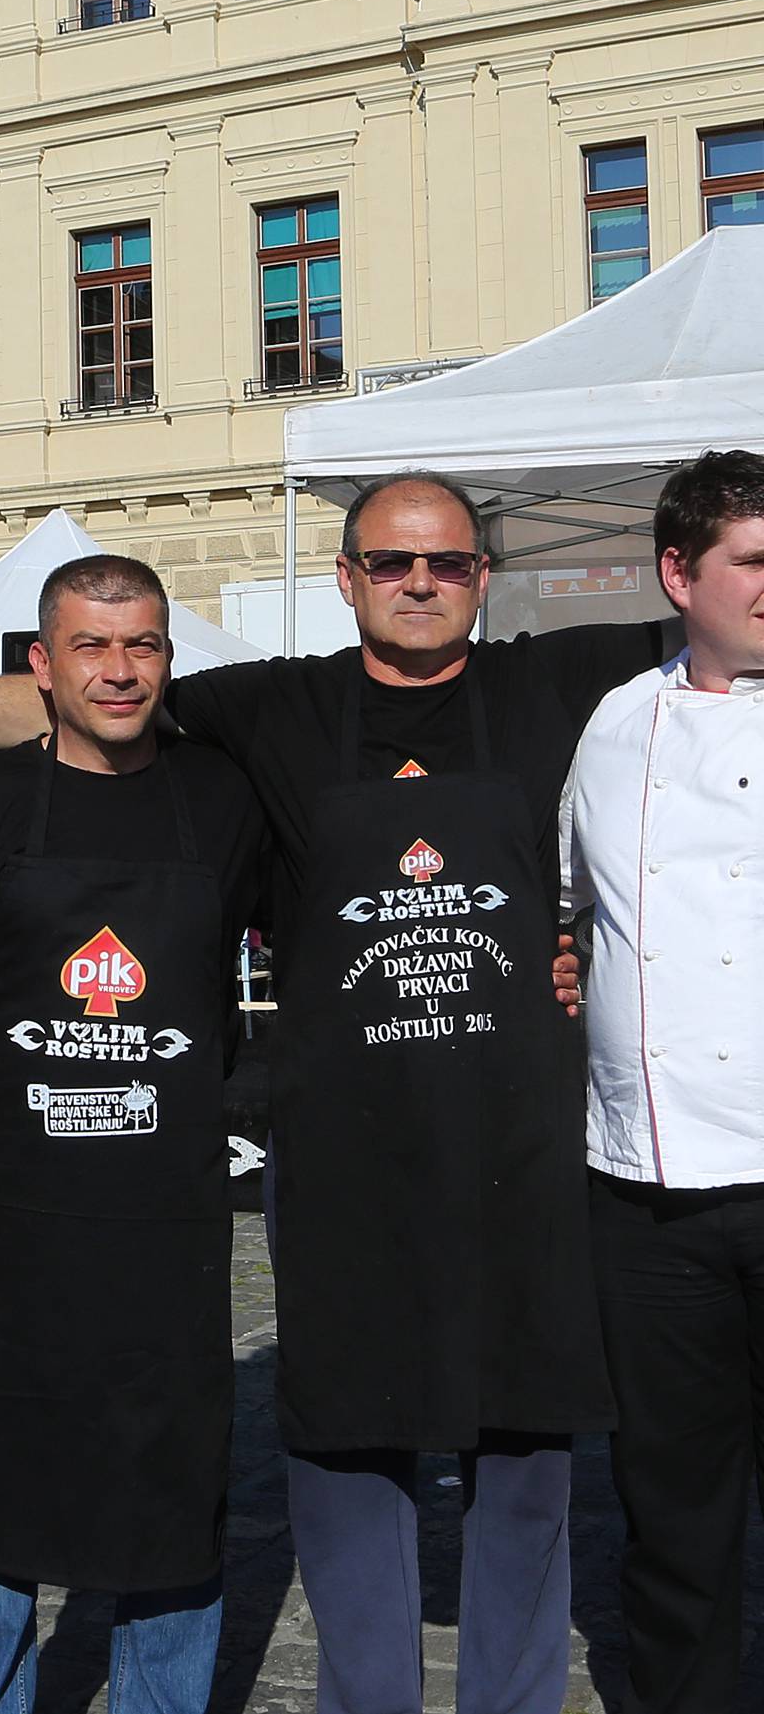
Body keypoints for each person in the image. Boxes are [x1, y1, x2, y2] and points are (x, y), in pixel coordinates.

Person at [0, 472, 679, 1714]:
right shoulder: (273, 709)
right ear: (350, 577)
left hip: (509, 1148)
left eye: (447, 564)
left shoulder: (553, 682)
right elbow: (69, 709)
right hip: (336, 1153)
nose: (420, 582)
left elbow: (719, 643)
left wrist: (595, 950)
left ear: (482, 577)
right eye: (392, 563)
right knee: (338, 1445)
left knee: (524, 1453)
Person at [0, 555, 264, 1714]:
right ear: (42, 666)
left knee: (173, 1516)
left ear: (168, 657)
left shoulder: (225, 800)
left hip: (170, 1231)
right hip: (8, 1233)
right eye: (92, 646)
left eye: (142, 644)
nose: (120, 669)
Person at [559, 449, 764, 1714]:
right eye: (754, 562)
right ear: (678, 573)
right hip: (652, 1186)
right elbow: (559, 896)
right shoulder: (609, 721)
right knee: (675, 1516)